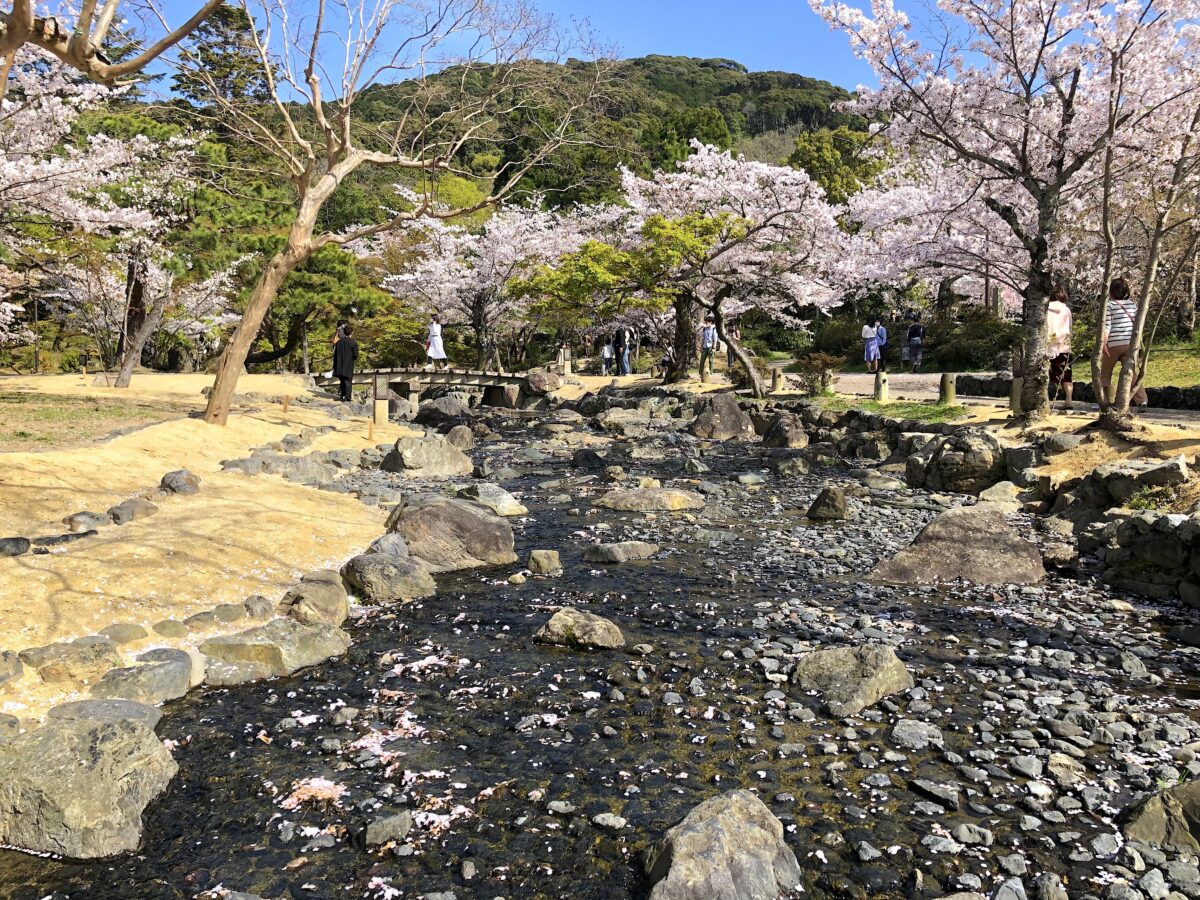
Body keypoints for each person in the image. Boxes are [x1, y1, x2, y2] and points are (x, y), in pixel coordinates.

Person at [1100, 276, 1148, 408]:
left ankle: (1106, 402)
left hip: (1114, 344)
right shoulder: (1133, 304)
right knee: (1130, 372)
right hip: (1130, 344)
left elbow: (1107, 327)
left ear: (1111, 291)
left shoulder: (1109, 305)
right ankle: (1142, 400)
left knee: (1105, 373)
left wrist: (1103, 344)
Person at [1046, 285, 1074, 410]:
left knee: (1045, 373)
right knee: (1066, 374)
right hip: (1065, 345)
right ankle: (1069, 400)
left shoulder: (1046, 308)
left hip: (1049, 344)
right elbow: (1070, 327)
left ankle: (1045, 401)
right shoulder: (1066, 309)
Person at [332, 323, 358, 402]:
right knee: (348, 381)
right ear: (351, 333)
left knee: (342, 380)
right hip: (348, 365)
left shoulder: (339, 343)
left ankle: (342, 395)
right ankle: (347, 397)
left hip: (339, 365)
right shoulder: (353, 343)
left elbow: (335, 354)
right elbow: (355, 355)